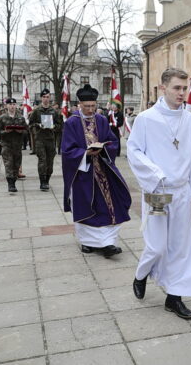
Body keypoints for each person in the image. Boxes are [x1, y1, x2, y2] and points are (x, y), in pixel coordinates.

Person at [128, 67, 191, 321]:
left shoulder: (189, 119)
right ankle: (141, 274)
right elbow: (134, 151)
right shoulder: (146, 119)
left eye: (185, 88)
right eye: (177, 88)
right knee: (157, 246)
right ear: (163, 88)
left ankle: (174, 298)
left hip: (182, 191)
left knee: (181, 247)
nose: (182, 93)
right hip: (158, 191)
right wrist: (155, 174)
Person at [61, 84, 131, 258]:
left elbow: (112, 141)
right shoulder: (71, 122)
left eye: (93, 106)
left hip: (103, 169)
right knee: (86, 206)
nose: (91, 110)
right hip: (83, 171)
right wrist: (85, 153)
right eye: (87, 107)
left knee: (108, 205)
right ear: (79, 105)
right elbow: (67, 150)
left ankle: (108, 243)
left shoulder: (101, 120)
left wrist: (104, 148)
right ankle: (87, 242)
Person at [29, 89, 64, 191]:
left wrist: (53, 126)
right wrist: (38, 125)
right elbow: (30, 124)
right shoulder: (36, 111)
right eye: (44, 97)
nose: (45, 99)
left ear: (50, 98)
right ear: (41, 98)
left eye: (47, 97)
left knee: (50, 162)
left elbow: (60, 125)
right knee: (42, 160)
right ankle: (42, 182)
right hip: (40, 139)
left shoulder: (54, 111)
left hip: (50, 139)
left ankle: (47, 180)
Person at [0, 98, 27, 192]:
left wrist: (21, 131)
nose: (12, 106)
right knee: (8, 164)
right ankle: (11, 184)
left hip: (17, 145)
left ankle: (14, 180)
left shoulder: (21, 117)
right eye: (10, 104)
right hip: (7, 144)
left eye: (14, 104)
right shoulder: (2, 117)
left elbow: (26, 130)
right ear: (6, 106)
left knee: (16, 164)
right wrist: (5, 131)